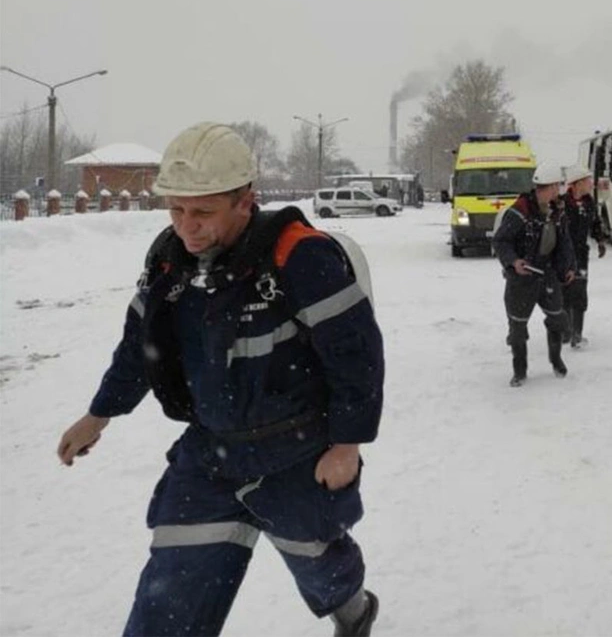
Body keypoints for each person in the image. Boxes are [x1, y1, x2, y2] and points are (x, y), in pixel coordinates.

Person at [56, 122, 383, 637]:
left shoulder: (299, 257)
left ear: (245, 202)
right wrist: (99, 415)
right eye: (177, 210)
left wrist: (346, 444)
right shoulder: (170, 264)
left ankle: (355, 611)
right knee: (170, 593)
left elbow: (356, 356)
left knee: (319, 561)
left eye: (204, 212)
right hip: (210, 455)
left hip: (296, 453)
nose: (188, 227)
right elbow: (139, 348)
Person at [492, 161, 577, 386]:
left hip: (547, 275)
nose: (558, 191)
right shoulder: (519, 211)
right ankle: (519, 370)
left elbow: (564, 243)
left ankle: (556, 359)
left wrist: (568, 267)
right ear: (545, 188)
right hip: (522, 279)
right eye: (555, 187)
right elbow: (500, 241)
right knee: (518, 327)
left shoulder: (557, 212)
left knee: (558, 318)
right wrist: (513, 262)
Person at [561, 165, 608, 349]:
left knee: (580, 292)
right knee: (564, 292)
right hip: (562, 256)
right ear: (577, 183)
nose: (591, 184)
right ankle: (565, 331)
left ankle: (577, 334)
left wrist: (601, 241)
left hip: (581, 254)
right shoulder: (561, 204)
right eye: (588, 180)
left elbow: (595, 223)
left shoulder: (589, 202)